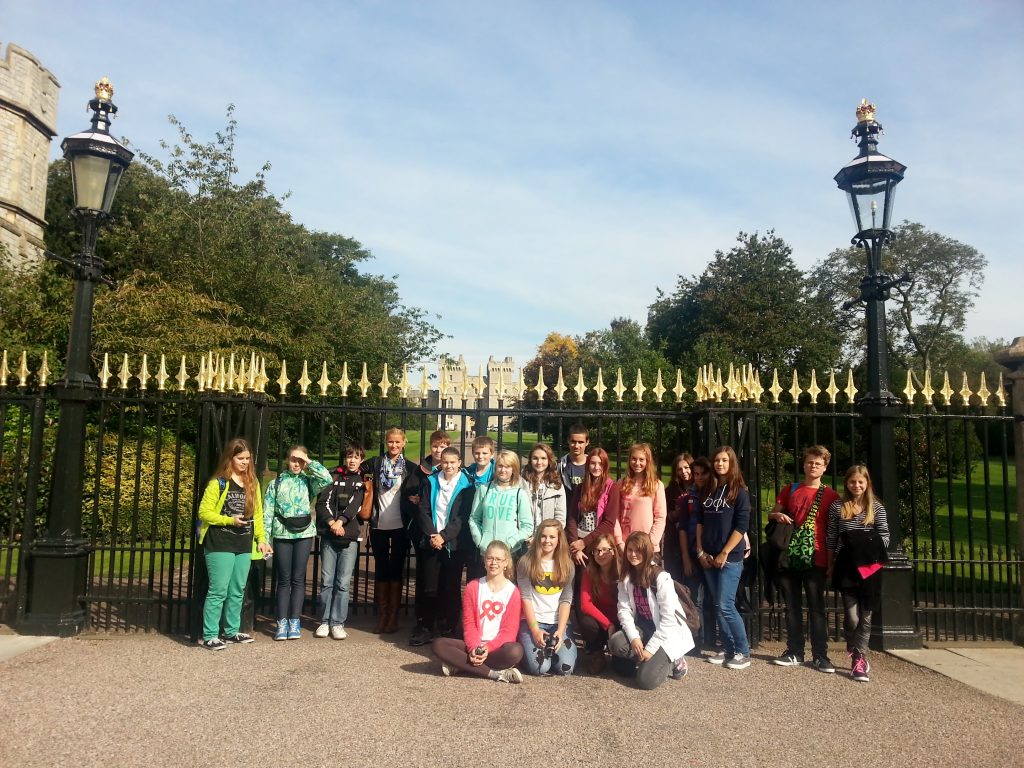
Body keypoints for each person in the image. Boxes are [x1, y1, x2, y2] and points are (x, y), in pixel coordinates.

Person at [767, 445, 840, 673]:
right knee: (792, 607)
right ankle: (795, 651)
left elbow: (835, 530)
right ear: (804, 464)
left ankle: (820, 655)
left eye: (818, 463)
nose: (813, 466)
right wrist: (777, 515)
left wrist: (832, 562)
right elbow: (772, 513)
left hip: (817, 555)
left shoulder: (831, 496)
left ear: (825, 467)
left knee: (817, 609)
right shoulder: (790, 489)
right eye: (810, 462)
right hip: (790, 554)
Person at [197, 438, 272, 649]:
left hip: (243, 543)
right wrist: (229, 520)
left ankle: (231, 631)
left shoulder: (252, 483)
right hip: (220, 542)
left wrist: (262, 540)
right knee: (218, 590)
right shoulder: (218, 483)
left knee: (238, 589)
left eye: (248, 458)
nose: (245, 462)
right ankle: (210, 634)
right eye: (240, 458)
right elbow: (204, 512)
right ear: (230, 458)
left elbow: (258, 514)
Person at [827, 465, 890, 683]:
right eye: (852, 481)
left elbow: (885, 535)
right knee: (852, 617)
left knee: (866, 615)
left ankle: (859, 659)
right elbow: (832, 537)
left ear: (867, 483)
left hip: (870, 566)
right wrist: (830, 563)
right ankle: (852, 644)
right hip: (846, 565)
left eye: (860, 482)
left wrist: (866, 547)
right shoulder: (838, 507)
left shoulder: (876, 507)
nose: (856, 485)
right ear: (846, 483)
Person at [263, 444, 332, 640]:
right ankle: (281, 621)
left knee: (298, 579)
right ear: (287, 460)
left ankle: (294, 621)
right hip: (282, 533)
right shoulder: (276, 483)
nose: (296, 464)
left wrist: (308, 461)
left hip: (304, 534)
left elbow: (327, 478)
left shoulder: (308, 481)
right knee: (284, 580)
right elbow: (267, 512)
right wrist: (265, 539)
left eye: (300, 461)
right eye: (293, 459)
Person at [431, 540, 524, 683]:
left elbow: (509, 632)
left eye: (498, 559)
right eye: (490, 558)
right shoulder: (473, 587)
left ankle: (461, 665)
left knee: (516, 651)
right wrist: (474, 648)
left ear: (506, 563)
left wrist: (487, 648)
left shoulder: (513, 592)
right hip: (473, 645)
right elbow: (469, 624)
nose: (493, 563)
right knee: (439, 644)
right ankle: (495, 674)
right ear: (484, 561)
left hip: (497, 648)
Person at [608, 531, 693, 689]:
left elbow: (668, 620)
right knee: (616, 645)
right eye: (630, 550)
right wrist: (634, 638)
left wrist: (651, 649)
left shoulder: (661, 578)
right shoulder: (626, 576)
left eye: (638, 550)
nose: (633, 554)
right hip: (644, 628)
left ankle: (675, 659)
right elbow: (623, 609)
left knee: (645, 681)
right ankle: (645, 659)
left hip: (666, 633)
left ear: (647, 552)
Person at [409, 446, 475, 646]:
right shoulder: (430, 481)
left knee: (451, 587)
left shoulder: (467, 486)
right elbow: (423, 510)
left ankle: (449, 627)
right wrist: (432, 534)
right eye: (445, 462)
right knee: (429, 587)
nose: (448, 466)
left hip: (454, 544)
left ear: (459, 463)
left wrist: (444, 537)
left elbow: (462, 517)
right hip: (431, 541)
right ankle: (426, 627)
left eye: (452, 462)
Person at [696, 445, 752, 669]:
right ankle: (729, 649)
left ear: (731, 463)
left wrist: (724, 552)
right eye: (717, 460)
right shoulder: (708, 490)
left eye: (724, 460)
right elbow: (700, 522)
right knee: (718, 605)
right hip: (708, 556)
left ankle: (743, 651)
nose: (720, 464)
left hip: (729, 557)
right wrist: (700, 551)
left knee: (726, 604)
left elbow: (741, 526)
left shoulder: (739, 492)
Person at [361, 427, 420, 634]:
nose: (394, 445)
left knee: (396, 569)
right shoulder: (376, 463)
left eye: (397, 442)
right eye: (390, 442)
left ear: (404, 443)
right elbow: (355, 469)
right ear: (386, 442)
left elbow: (421, 488)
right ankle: (383, 615)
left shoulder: (410, 468)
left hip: (400, 525)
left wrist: (416, 498)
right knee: (381, 569)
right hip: (379, 524)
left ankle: (393, 616)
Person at [314, 443, 371, 640]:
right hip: (329, 534)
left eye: (356, 457)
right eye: (349, 456)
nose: (352, 460)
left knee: (343, 583)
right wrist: (332, 522)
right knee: (327, 581)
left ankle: (337, 622)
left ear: (361, 460)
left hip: (350, 535)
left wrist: (341, 521)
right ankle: (324, 621)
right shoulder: (332, 476)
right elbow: (322, 503)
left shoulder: (363, 480)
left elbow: (356, 505)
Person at [517, 519, 577, 676]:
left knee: (565, 668)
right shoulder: (526, 563)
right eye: (543, 536)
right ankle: (528, 648)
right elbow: (525, 598)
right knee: (540, 668)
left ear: (559, 540)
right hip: (533, 621)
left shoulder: (567, 565)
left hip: (558, 623)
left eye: (552, 537)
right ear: (538, 537)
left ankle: (551, 651)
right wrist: (535, 630)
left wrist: (560, 631)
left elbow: (566, 600)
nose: (547, 541)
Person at [677, 456, 716, 654]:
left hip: (714, 552)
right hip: (693, 552)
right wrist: (685, 557)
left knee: (715, 598)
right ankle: (696, 640)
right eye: (696, 474)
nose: (699, 478)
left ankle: (713, 638)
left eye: (703, 474)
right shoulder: (689, 498)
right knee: (694, 599)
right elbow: (683, 528)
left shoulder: (717, 495)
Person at [469, 449, 533, 561]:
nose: (503, 470)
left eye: (507, 466)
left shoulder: (519, 493)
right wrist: (480, 541)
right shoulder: (484, 489)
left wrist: (511, 542)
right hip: (486, 551)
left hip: (510, 552)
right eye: (500, 466)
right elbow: (474, 518)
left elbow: (527, 526)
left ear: (514, 469)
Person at [610, 443, 667, 552]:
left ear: (647, 461)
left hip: (647, 547)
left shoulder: (656, 485)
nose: (637, 463)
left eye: (641, 459)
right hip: (625, 546)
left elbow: (660, 517)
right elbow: (615, 515)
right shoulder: (621, 484)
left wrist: (651, 542)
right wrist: (619, 541)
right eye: (634, 459)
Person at [566, 447, 617, 565]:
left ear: (605, 465)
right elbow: (572, 517)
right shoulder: (581, 487)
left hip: (600, 542)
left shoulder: (612, 488)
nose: (596, 467)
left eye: (600, 463)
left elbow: (609, 522)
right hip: (579, 541)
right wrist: (575, 546)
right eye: (593, 463)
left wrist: (584, 542)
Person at [577, 532, 619, 673]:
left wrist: (615, 624)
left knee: (624, 670)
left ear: (613, 551)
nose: (600, 554)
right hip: (600, 622)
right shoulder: (589, 572)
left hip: (620, 620)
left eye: (605, 550)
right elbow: (585, 605)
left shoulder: (621, 571)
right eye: (596, 551)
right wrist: (608, 624)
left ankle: (618, 653)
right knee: (586, 622)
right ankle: (597, 653)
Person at [463, 435, 496, 580]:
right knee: (473, 567)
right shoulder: (468, 472)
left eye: (484, 453)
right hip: (471, 524)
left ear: (491, 454)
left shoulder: (497, 471)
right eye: (477, 453)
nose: (480, 456)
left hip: (490, 524)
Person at [521, 442, 567, 531]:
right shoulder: (522, 483)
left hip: (548, 535)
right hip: (526, 535)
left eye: (543, 458)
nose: (539, 462)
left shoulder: (556, 485)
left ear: (549, 460)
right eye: (535, 458)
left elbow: (560, 516)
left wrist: (550, 533)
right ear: (530, 460)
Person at [663, 453, 694, 582]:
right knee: (674, 580)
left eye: (686, 467)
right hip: (674, 541)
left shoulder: (700, 487)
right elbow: (664, 516)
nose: (684, 472)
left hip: (694, 539)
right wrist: (677, 513)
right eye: (679, 469)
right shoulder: (670, 490)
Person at [557, 424, 590, 494]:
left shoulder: (593, 464)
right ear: (568, 440)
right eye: (573, 441)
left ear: (587, 442)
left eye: (580, 442)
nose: (576, 446)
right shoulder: (559, 465)